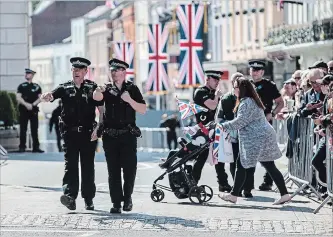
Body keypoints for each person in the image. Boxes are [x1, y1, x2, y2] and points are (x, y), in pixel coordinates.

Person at [40, 57, 103, 211]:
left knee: (88, 167)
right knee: (71, 166)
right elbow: (52, 95)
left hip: (89, 134)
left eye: (80, 69)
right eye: (74, 69)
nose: (76, 72)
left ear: (85, 71)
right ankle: (70, 197)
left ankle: (88, 199)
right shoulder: (64, 87)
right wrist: (46, 96)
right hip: (70, 133)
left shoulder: (92, 87)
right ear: (71, 71)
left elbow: (101, 109)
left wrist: (99, 128)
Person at [218, 77, 291, 205]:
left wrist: (223, 126)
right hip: (260, 137)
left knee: (245, 164)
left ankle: (234, 195)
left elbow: (240, 122)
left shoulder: (246, 103)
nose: (234, 89)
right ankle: (284, 194)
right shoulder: (250, 101)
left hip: (257, 138)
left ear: (241, 89)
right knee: (263, 165)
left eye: (235, 87)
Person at [93, 58, 147, 214]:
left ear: (124, 72)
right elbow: (96, 98)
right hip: (110, 136)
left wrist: (129, 100)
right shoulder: (106, 89)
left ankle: (127, 198)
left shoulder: (132, 89)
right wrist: (98, 91)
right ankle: (116, 202)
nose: (113, 73)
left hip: (127, 135)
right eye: (112, 71)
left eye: (116, 70)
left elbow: (143, 109)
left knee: (130, 169)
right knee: (113, 171)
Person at [192, 70, 232, 193]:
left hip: (215, 128)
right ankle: (192, 182)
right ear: (207, 79)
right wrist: (217, 96)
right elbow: (213, 106)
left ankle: (223, 183)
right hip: (203, 129)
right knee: (201, 158)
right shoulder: (200, 91)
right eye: (215, 80)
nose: (217, 82)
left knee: (219, 157)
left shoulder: (215, 93)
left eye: (218, 80)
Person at [248, 60, 284, 191]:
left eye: (258, 70)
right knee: (250, 152)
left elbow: (281, 103)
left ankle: (268, 181)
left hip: (264, 122)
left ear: (262, 72)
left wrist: (272, 114)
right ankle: (248, 184)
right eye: (253, 70)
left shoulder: (269, 85)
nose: (255, 72)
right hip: (250, 124)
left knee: (266, 153)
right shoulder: (246, 85)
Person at [217, 72, 254, 197]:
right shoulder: (226, 99)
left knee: (248, 164)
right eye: (235, 82)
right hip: (233, 137)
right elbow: (219, 118)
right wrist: (228, 126)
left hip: (248, 136)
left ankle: (247, 189)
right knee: (234, 163)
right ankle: (237, 188)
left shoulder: (250, 99)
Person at [16, 68, 44, 153]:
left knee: (34, 129)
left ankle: (36, 147)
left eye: (28, 73)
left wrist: (33, 104)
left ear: (32, 75)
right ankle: (22, 147)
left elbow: (40, 98)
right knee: (23, 129)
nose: (26, 74)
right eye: (26, 73)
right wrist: (26, 104)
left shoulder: (37, 86)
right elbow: (18, 97)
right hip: (23, 109)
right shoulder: (21, 86)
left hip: (33, 110)